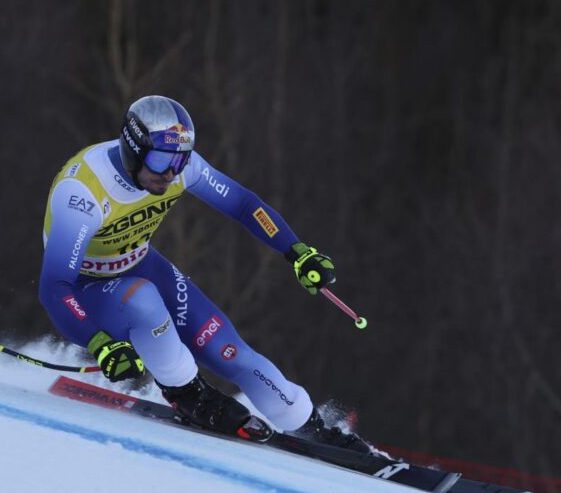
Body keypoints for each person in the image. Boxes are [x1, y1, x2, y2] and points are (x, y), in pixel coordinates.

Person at [39, 95, 368, 451]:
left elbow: (244, 205)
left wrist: (297, 251)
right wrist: (100, 343)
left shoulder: (179, 168)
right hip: (90, 288)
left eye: (180, 160)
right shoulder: (84, 193)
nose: (171, 172)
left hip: (141, 263)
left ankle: (311, 426)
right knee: (146, 303)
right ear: (134, 149)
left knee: (228, 350)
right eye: (162, 159)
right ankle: (187, 392)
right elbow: (55, 286)